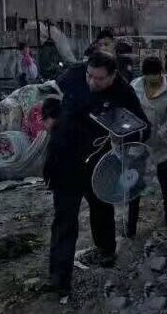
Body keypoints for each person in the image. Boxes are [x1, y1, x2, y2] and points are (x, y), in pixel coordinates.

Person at [44, 52, 150, 299]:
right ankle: (59, 279)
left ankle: (105, 249)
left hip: (99, 162)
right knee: (64, 219)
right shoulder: (73, 74)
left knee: (101, 207)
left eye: (100, 79)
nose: (93, 82)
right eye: (90, 76)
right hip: (64, 159)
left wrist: (124, 136)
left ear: (112, 76)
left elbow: (143, 128)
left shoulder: (123, 92)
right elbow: (49, 95)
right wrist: (49, 115)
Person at [127, 56, 167, 237]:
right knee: (135, 182)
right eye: (148, 77)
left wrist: (161, 131)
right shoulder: (135, 86)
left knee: (163, 178)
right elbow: (127, 110)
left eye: (155, 77)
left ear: (161, 73)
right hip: (138, 142)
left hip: (159, 143)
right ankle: (131, 226)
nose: (152, 81)